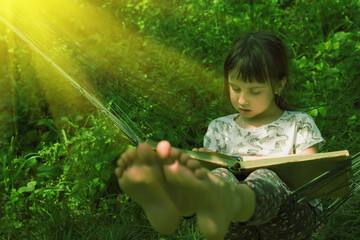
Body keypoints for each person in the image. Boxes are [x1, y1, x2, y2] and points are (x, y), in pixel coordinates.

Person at [115, 32, 325, 240]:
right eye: (235, 88)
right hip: (235, 226)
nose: (242, 99)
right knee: (218, 177)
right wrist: (203, 162)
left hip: (289, 221)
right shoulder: (220, 128)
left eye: (254, 91)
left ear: (279, 85)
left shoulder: (299, 123)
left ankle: (218, 200)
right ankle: (183, 202)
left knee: (264, 177)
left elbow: (312, 175)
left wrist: (255, 164)